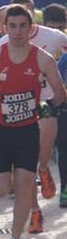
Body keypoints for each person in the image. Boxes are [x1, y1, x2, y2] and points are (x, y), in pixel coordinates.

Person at [0, 5, 65, 239]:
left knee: (25, 183)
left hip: (26, 130)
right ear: (5, 28)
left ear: (31, 28)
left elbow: (60, 91)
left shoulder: (41, 58)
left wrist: (47, 105)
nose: (17, 31)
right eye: (12, 26)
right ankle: (22, 180)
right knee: (0, 189)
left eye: (22, 26)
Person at [0, 0, 67, 232]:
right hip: (16, 111)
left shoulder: (54, 37)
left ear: (31, 20)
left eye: (24, 19)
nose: (19, 29)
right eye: (13, 23)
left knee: (43, 153)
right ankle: (35, 211)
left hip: (46, 104)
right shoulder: (0, 46)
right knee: (24, 165)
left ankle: (45, 169)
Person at [57, 52, 67, 207]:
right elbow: (56, 84)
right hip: (65, 109)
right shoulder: (65, 59)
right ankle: (65, 188)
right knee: (64, 150)